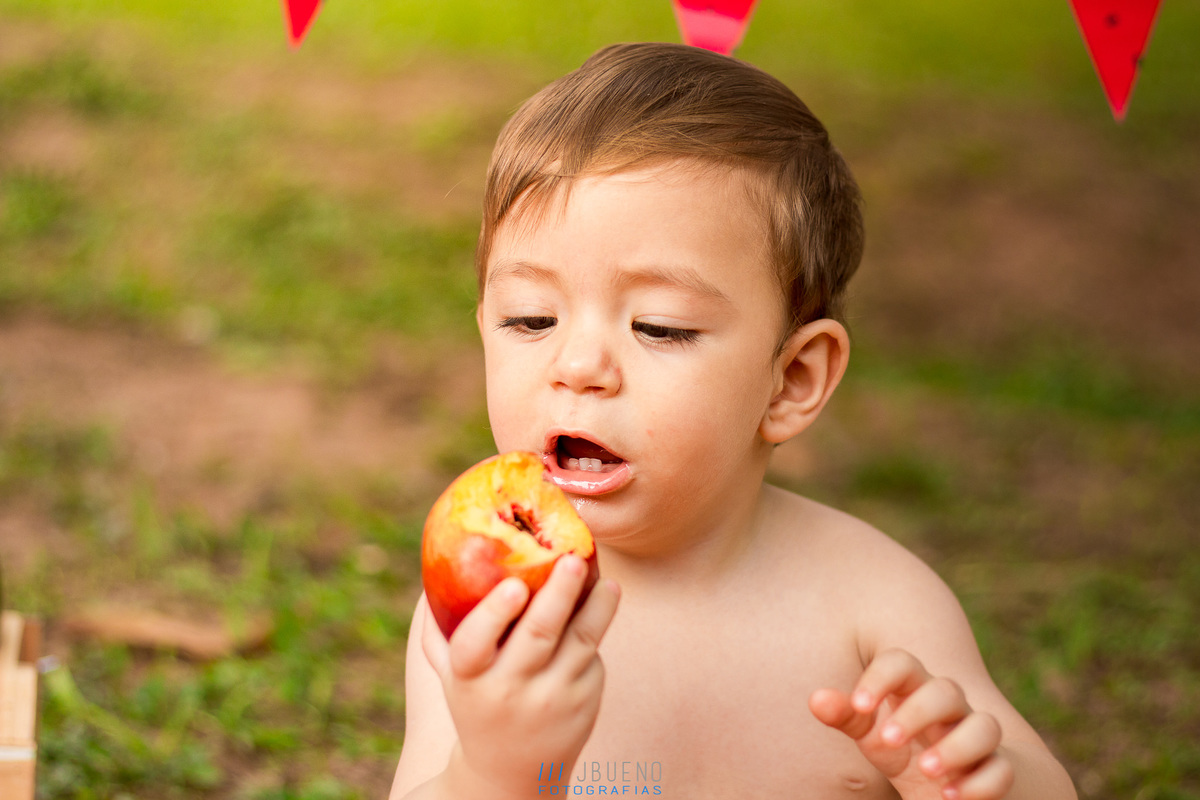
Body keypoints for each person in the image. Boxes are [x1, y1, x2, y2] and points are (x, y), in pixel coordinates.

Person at [389, 42, 1077, 800]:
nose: (578, 364)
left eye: (659, 326)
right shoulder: (485, 614)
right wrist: (493, 771)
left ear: (790, 380)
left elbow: (1039, 784)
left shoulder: (872, 603)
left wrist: (980, 782)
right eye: (530, 318)